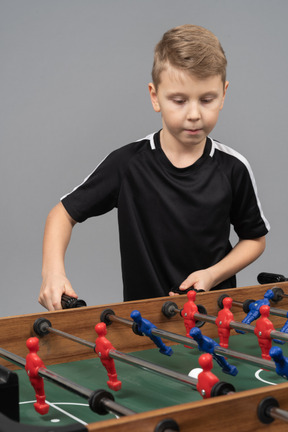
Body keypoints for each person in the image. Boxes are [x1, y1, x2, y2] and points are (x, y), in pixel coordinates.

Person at [39, 24, 269, 311]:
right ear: (154, 96)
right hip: (145, 331)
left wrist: (212, 275)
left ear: (223, 94)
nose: (194, 114)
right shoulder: (127, 164)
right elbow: (61, 214)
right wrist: (52, 273)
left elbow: (254, 239)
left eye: (207, 99)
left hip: (214, 325)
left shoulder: (233, 168)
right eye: (179, 100)